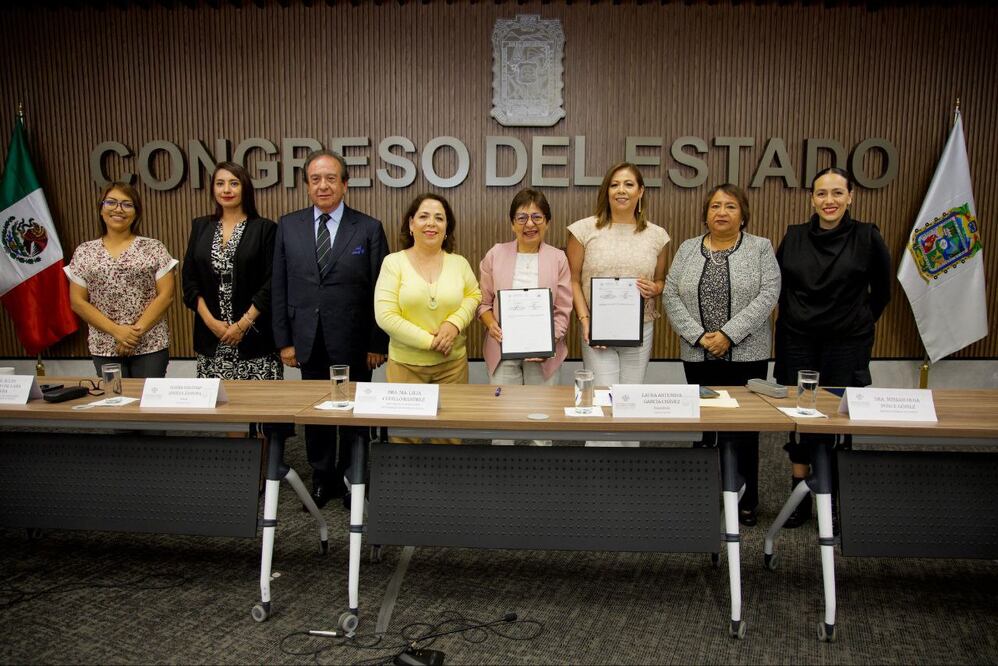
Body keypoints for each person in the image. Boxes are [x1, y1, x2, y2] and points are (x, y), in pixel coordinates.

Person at [774, 167, 892, 527]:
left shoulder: (867, 236)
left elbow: (882, 292)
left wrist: (854, 323)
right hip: (798, 341)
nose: (829, 200)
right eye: (822, 193)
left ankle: (838, 499)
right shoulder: (793, 237)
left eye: (837, 193)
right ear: (812, 198)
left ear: (850, 197)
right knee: (801, 418)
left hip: (846, 344)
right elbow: (779, 288)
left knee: (840, 418)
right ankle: (800, 496)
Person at [272, 149, 388, 509]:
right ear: (307, 184)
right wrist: (285, 341)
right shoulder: (288, 226)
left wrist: (376, 342)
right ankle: (322, 477)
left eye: (330, 178)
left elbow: (379, 289)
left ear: (345, 184)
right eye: (315, 179)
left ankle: (352, 476)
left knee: (355, 413)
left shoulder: (368, 228)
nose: (323, 186)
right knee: (317, 412)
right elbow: (280, 285)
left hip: (354, 340)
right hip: (308, 337)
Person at [664, 184, 780, 526]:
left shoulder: (761, 248)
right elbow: (670, 294)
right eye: (715, 206)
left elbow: (769, 294)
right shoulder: (687, 249)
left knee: (744, 430)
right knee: (704, 426)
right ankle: (701, 496)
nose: (722, 212)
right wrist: (699, 336)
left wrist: (729, 334)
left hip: (748, 355)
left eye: (730, 206)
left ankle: (746, 501)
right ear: (706, 213)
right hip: (698, 354)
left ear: (743, 214)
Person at [567, 162, 669, 447]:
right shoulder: (583, 230)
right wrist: (585, 321)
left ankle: (628, 469)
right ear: (606, 191)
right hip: (596, 330)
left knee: (630, 401)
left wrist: (655, 288)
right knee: (601, 399)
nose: (621, 190)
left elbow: (661, 280)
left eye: (628, 184)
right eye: (614, 184)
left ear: (641, 191)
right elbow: (573, 280)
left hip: (640, 329)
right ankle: (600, 473)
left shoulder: (657, 235)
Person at [477, 188, 573, 446]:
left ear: (548, 222)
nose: (529, 224)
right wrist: (492, 325)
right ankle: (503, 480)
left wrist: (548, 341)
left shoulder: (558, 258)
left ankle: (540, 480)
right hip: (502, 348)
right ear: (512, 223)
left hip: (544, 353)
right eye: (521, 218)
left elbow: (563, 309)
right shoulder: (495, 254)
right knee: (503, 423)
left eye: (537, 217)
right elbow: (483, 303)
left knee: (541, 426)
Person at [182, 162, 281, 382]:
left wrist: (242, 325)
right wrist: (211, 323)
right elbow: (189, 281)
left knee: (261, 409)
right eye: (220, 184)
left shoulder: (265, 229)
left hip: (254, 340)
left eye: (234, 183)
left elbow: (272, 283)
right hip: (212, 339)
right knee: (217, 409)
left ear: (245, 188)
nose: (226, 190)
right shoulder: (201, 227)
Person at [65, 182, 176, 378]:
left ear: (136, 212)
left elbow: (166, 295)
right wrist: (117, 332)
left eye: (127, 204)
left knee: (148, 404)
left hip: (150, 343)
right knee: (114, 402)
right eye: (111, 202)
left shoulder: (154, 248)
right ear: (101, 209)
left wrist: (132, 335)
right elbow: (77, 301)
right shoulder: (84, 252)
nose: (118, 209)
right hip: (105, 344)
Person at [375, 193, 481, 389]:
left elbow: (474, 295)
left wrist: (454, 324)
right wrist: (432, 342)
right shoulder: (393, 263)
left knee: (452, 420)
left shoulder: (460, 263)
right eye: (423, 216)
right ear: (411, 224)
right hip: (406, 367)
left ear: (447, 227)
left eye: (439, 218)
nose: (431, 223)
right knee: (409, 422)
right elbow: (386, 316)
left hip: (453, 366)